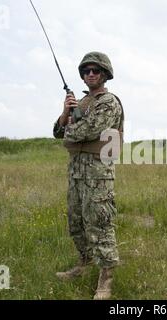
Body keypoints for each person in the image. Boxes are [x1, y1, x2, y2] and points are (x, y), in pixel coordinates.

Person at [52, 51, 124, 300]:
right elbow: (58, 132)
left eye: (95, 70)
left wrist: (71, 128)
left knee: (100, 224)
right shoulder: (79, 104)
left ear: (105, 74)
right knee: (77, 223)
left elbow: (90, 129)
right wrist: (65, 113)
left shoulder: (109, 101)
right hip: (76, 173)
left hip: (98, 173)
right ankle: (84, 264)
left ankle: (106, 279)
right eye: (86, 71)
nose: (90, 74)